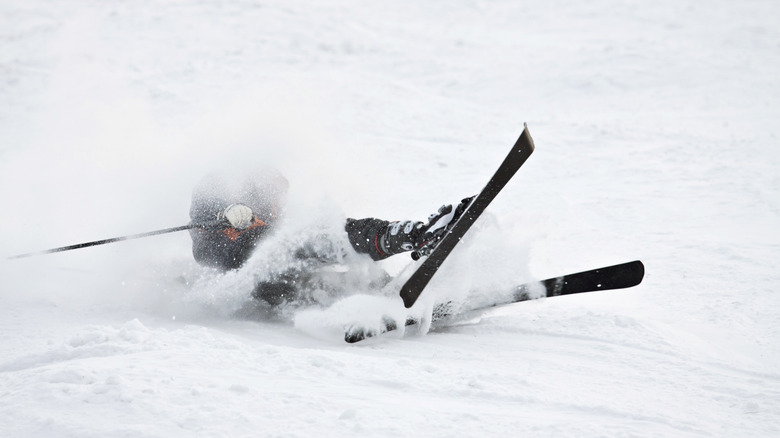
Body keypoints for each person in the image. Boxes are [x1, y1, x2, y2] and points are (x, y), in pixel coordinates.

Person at [189, 168, 473, 306]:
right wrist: (222, 217)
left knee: (337, 244)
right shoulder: (220, 212)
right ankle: (417, 237)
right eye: (273, 195)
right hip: (257, 281)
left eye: (281, 196)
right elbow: (205, 250)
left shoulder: (277, 222)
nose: (279, 202)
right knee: (322, 238)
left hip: (292, 281)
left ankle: (392, 289)